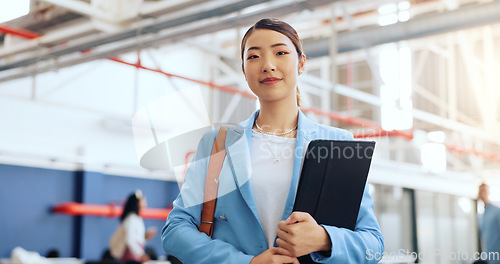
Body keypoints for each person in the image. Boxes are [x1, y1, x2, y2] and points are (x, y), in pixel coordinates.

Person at [161, 18, 384, 264]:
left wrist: (324, 239)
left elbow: (373, 245)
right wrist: (248, 263)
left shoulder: (338, 143)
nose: (267, 65)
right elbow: (175, 230)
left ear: (301, 63)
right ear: (244, 70)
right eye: (254, 57)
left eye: (280, 52)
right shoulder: (217, 143)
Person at [109, 190, 157, 264]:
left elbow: (136, 239)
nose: (145, 201)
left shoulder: (137, 218)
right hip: (130, 257)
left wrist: (145, 237)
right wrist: (141, 254)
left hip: (135, 256)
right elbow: (130, 240)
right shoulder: (131, 219)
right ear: (137, 203)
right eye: (142, 200)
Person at [478, 183, 500, 263]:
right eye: (480, 191)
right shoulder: (482, 215)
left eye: (484, 191)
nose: (482, 194)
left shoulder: (497, 212)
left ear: (489, 192)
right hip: (488, 259)